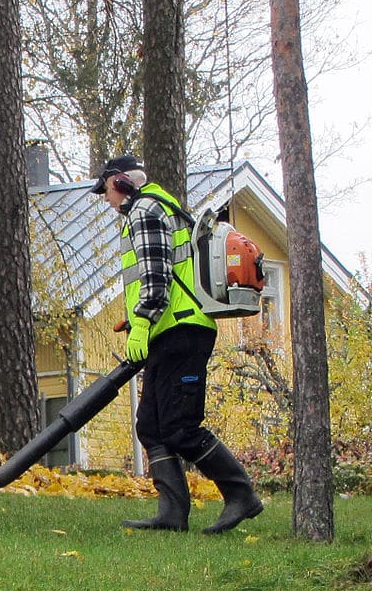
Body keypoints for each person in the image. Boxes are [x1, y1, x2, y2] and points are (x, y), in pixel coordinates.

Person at [92, 155, 263, 534]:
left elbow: (156, 276)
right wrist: (138, 322)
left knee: (179, 427)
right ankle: (171, 514)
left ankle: (241, 495)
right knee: (152, 426)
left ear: (119, 183)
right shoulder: (161, 207)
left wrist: (143, 320)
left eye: (105, 190)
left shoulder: (145, 210)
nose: (105, 199)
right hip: (170, 329)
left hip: (182, 332)